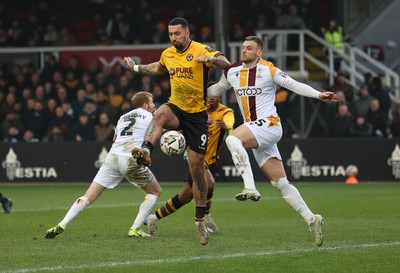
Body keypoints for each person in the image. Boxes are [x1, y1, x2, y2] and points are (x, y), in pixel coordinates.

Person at [207, 36, 339, 247]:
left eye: (249, 48)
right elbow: (214, 91)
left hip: (269, 124)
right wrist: (187, 94)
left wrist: (318, 94)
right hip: (255, 131)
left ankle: (250, 187)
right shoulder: (232, 71)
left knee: (232, 139)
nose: (244, 51)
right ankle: (311, 218)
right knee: (280, 183)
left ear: (259, 52)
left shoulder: (268, 69)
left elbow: (293, 85)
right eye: (242, 47)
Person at [123, 17, 230, 245]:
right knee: (160, 113)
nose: (173, 38)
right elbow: (156, 68)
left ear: (187, 32)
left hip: (197, 117)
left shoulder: (201, 49)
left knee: (197, 169)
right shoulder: (168, 54)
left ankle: (200, 220)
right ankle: (146, 150)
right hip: (177, 107)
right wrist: (135, 67)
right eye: (171, 34)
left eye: (177, 34)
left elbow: (225, 63)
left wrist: (210, 58)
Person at [44, 91, 161, 239]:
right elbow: (154, 134)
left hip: (112, 157)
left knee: (88, 197)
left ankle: (62, 223)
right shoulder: (152, 117)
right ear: (145, 104)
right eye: (151, 102)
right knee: (154, 192)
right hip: (130, 158)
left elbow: (115, 137)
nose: (153, 105)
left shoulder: (123, 117)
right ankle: (135, 228)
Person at [145, 94, 235, 235]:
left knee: (185, 196)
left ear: (220, 97)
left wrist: (227, 126)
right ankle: (205, 215)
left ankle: (152, 218)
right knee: (209, 183)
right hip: (196, 157)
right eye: (209, 96)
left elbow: (230, 121)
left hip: (210, 160)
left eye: (215, 96)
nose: (211, 98)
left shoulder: (225, 112)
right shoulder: (197, 111)